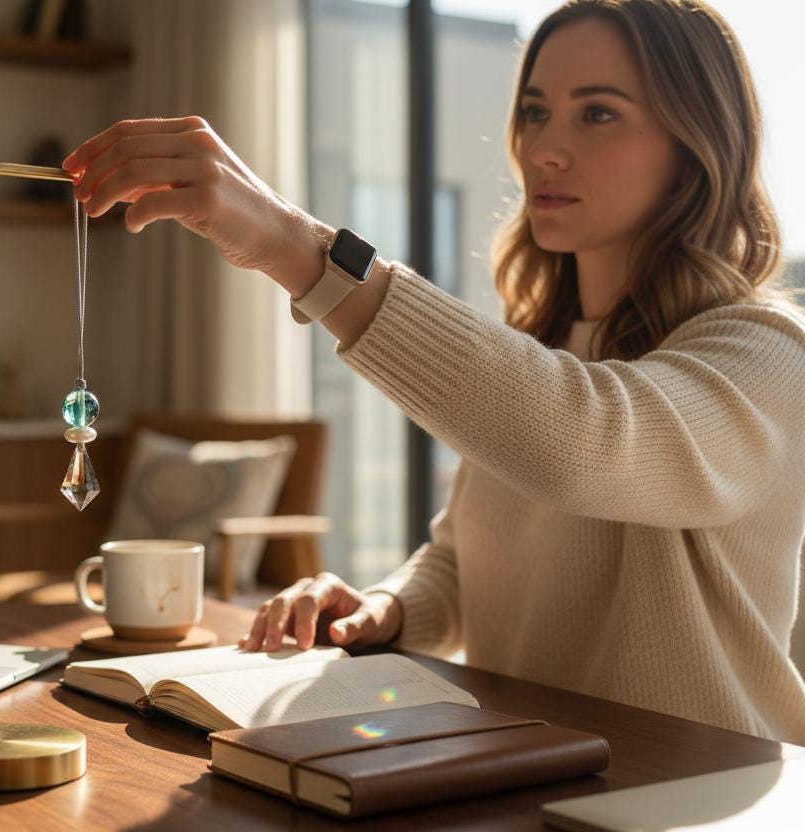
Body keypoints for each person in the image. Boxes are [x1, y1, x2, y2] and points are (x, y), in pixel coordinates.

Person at [62, 0, 805, 743]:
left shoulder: (767, 352)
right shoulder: (542, 350)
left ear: (697, 145)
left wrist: (296, 248)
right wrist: (384, 610)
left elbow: (590, 442)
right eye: (536, 111)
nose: (544, 147)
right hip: (531, 772)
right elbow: (460, 559)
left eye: (598, 115)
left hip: (702, 794)